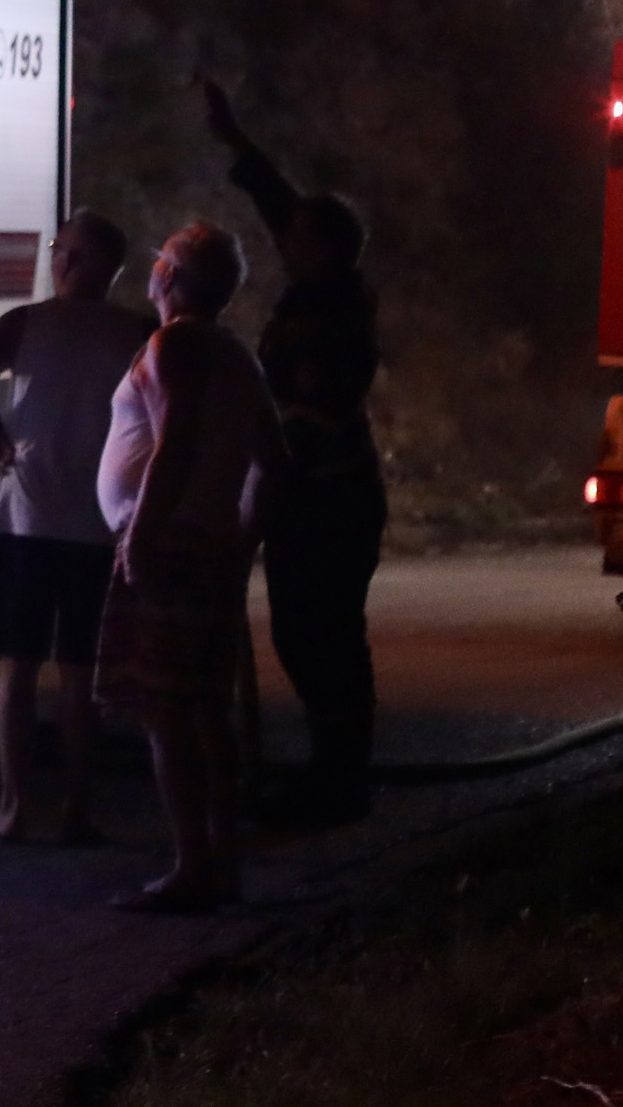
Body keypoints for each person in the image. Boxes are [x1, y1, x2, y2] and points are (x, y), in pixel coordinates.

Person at [202, 77, 386, 826]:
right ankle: (333, 771)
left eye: (299, 237)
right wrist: (236, 140)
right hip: (307, 495)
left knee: (324, 634)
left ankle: (342, 781)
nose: (284, 241)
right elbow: (283, 207)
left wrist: (257, 457)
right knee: (301, 631)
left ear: (326, 249)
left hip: (331, 498)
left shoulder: (337, 310)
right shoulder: (320, 285)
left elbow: (315, 414)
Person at [0, 216, 154, 845]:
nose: (59, 260)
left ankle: (18, 807)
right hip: (91, 522)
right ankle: (71, 809)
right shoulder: (139, 333)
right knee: (75, 672)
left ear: (95, 264)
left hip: (35, 517)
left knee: (25, 668)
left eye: (68, 251)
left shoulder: (29, 324)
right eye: (60, 249)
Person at [94, 218, 281, 912]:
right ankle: (220, 863)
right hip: (206, 549)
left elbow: (174, 442)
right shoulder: (238, 355)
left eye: (159, 261)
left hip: (167, 547)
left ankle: (193, 867)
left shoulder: (174, 344)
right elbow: (273, 462)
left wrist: (142, 536)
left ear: (169, 275)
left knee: (168, 712)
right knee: (205, 708)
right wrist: (240, 540)